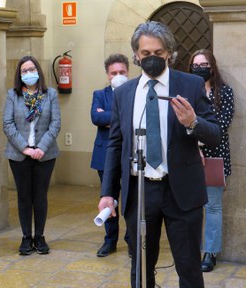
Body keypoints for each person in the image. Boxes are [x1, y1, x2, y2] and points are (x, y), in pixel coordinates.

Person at [97, 21, 221, 288]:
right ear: (136, 55)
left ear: (169, 53)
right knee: (141, 268)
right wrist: (107, 193)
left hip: (182, 193)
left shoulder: (190, 85)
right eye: (145, 54)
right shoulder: (124, 93)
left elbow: (214, 133)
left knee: (188, 267)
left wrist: (192, 122)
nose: (151, 58)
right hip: (141, 192)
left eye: (158, 53)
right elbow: (115, 144)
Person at [3, 55, 61, 255]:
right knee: (24, 197)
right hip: (19, 155)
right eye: (24, 71)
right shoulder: (13, 95)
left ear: (38, 71)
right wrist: (25, 148)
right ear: (20, 75)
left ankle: (40, 237)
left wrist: (41, 147)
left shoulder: (50, 94)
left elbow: (55, 124)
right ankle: (26, 237)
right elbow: (7, 124)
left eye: (31, 69)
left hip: (45, 154)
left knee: (40, 197)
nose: (28, 73)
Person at [189, 49, 235, 272]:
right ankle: (191, 249)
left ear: (212, 66)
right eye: (196, 65)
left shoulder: (224, 92)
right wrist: (193, 146)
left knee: (213, 206)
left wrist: (199, 144)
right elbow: (179, 123)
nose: (200, 68)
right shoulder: (186, 92)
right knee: (191, 207)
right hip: (189, 158)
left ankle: (210, 252)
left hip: (216, 156)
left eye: (204, 64)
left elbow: (220, 126)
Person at [90, 53, 130, 257]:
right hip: (105, 155)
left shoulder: (134, 91)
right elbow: (96, 117)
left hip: (130, 155)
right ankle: (110, 241)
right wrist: (121, 118)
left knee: (130, 201)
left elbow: (134, 118)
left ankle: (132, 240)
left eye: (122, 72)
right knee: (109, 198)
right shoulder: (99, 94)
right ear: (108, 75)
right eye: (114, 72)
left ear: (128, 72)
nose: (118, 75)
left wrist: (109, 117)